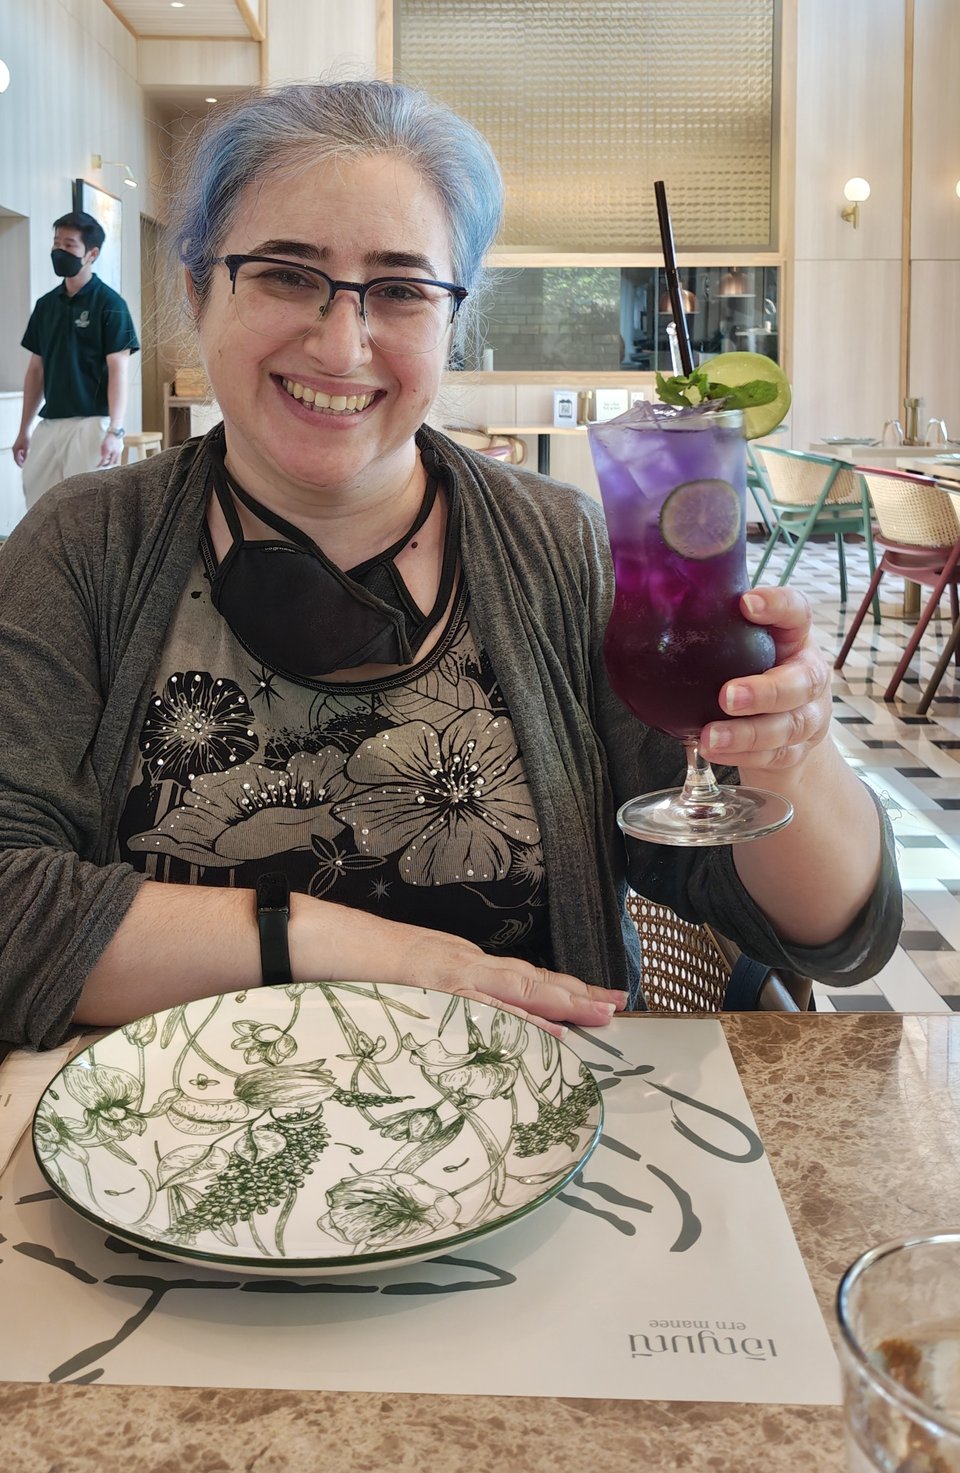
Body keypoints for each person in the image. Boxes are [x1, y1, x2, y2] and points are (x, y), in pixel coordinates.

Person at [0, 81, 900, 1051]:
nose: (341, 344)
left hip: (537, 1127)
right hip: (168, 1133)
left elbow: (833, 936)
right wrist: (347, 948)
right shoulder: (86, 545)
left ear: (452, 323)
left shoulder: (560, 548)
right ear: (197, 290)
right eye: (286, 275)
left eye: (399, 290)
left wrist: (792, 750)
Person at [13, 210, 140, 509]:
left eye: (69, 245)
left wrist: (115, 430)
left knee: (88, 512)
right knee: (39, 509)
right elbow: (36, 370)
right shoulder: (45, 306)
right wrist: (23, 430)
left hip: (92, 424)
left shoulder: (111, 304)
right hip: (50, 423)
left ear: (91, 254)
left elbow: (119, 370)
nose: (60, 251)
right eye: (57, 243)